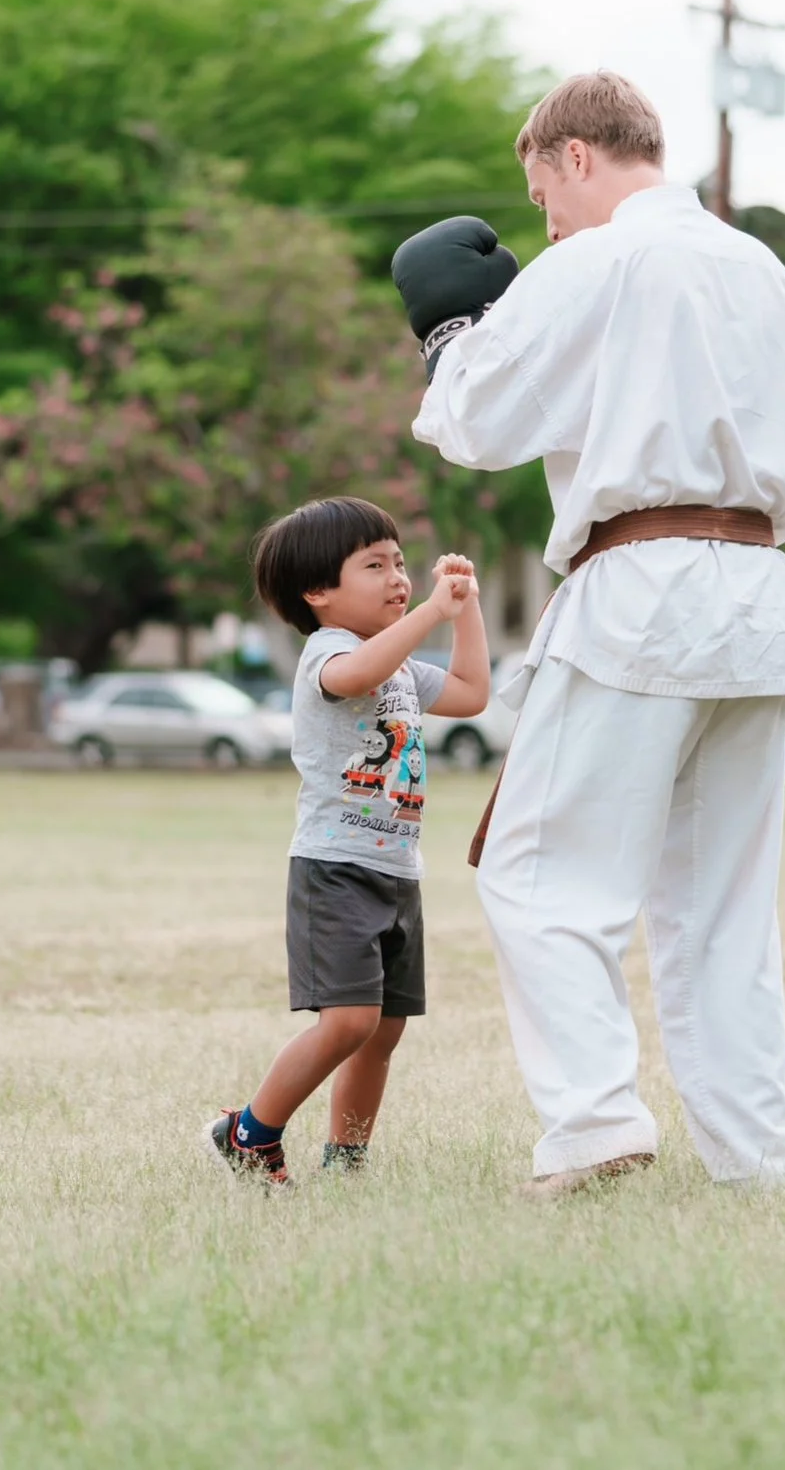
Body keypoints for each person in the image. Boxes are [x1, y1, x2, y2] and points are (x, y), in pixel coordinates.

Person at [394, 71, 785, 1198]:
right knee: (721, 910)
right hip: (760, 590)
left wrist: (450, 330)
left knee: (538, 874)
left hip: (644, 583)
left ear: (576, 157)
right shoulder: (761, 269)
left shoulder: (600, 257)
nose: (543, 219)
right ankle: (759, 1162)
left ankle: (590, 1122)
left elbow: (477, 420)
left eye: (541, 194)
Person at [208, 497, 491, 1189]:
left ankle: (347, 1157)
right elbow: (353, 678)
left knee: (384, 1029)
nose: (396, 576)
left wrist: (470, 605)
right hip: (335, 868)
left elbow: (471, 691)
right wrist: (432, 611)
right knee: (348, 1022)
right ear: (319, 593)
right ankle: (248, 1131)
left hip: (396, 869)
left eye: (399, 561)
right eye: (374, 565)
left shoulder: (400, 667)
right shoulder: (328, 652)